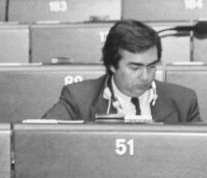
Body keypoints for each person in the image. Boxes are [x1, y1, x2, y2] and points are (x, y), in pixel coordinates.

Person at [43, 19, 200, 122]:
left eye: (152, 66)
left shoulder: (183, 101)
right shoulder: (78, 98)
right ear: (112, 64)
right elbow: (41, 140)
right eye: (135, 67)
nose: (146, 77)